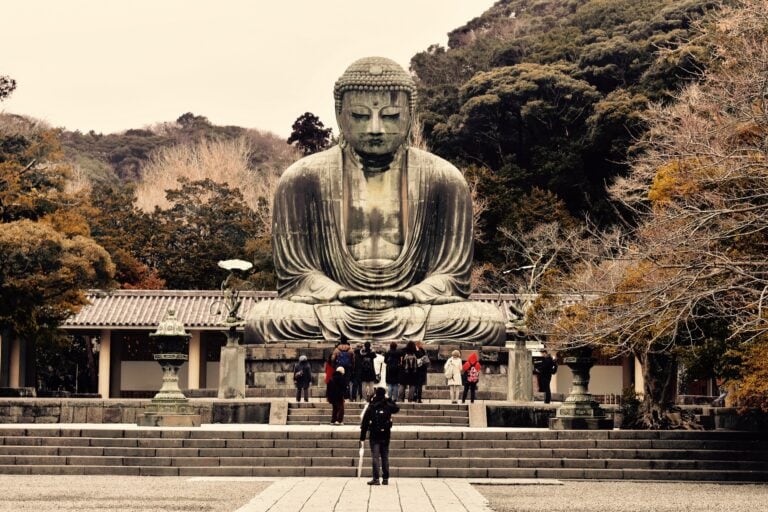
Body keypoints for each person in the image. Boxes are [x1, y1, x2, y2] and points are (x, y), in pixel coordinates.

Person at [245, 56, 505, 345]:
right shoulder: (303, 178)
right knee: (264, 319)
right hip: (335, 308)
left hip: (414, 308)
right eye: (359, 115)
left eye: (391, 116)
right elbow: (297, 276)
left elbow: (451, 276)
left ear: (410, 115)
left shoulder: (444, 179)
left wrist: (413, 294)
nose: (375, 128)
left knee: (486, 321)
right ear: (339, 114)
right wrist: (338, 293)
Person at [360, 387, 400, 485]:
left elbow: (365, 422)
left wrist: (362, 436)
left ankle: (376, 478)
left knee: (375, 457)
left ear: (376, 394)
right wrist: (388, 399)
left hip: (374, 434)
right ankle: (385, 478)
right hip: (385, 434)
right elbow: (396, 408)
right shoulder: (387, 405)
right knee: (385, 457)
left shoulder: (372, 405)